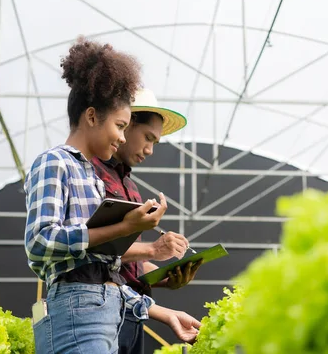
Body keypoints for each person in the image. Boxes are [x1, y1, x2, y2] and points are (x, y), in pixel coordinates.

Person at [24, 38, 185, 353]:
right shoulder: (54, 162)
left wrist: (164, 313)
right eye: (120, 125)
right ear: (92, 116)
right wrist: (126, 229)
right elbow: (40, 242)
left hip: (107, 312)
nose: (123, 137)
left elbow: (106, 273)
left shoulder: (93, 181)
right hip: (76, 312)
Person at [92, 88, 203, 354]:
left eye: (156, 142)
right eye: (147, 138)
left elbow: (126, 260)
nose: (150, 150)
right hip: (101, 310)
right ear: (125, 124)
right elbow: (96, 249)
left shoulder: (129, 186)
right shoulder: (91, 174)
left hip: (134, 309)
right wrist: (155, 249)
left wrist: (163, 278)